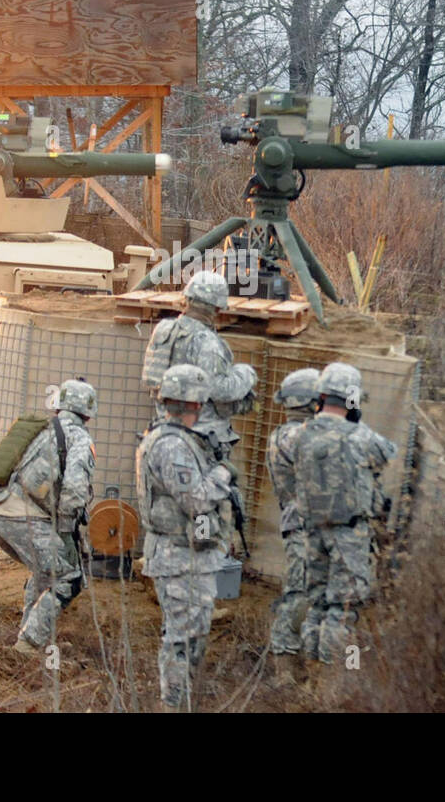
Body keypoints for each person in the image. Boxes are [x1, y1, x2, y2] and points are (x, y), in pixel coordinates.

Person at [135, 364, 234, 710]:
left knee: (192, 637)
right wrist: (223, 474)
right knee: (181, 640)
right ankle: (172, 705)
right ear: (195, 403)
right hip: (178, 558)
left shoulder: (178, 439)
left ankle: (181, 701)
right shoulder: (171, 445)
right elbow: (195, 500)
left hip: (188, 554)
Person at [0, 379, 97, 655]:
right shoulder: (79, 438)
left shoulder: (42, 430)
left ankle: (33, 637)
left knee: (46, 571)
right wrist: (67, 534)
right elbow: (75, 491)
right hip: (23, 517)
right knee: (69, 577)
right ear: (89, 413)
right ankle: (28, 643)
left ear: (59, 406)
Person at [293, 362, 397, 665]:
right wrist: (356, 421)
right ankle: (334, 681)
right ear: (352, 399)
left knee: (318, 604)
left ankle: (309, 675)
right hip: (348, 534)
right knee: (343, 610)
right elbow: (388, 452)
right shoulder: (359, 436)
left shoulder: (300, 435)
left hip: (312, 531)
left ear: (321, 397)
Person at [141, 269, 256, 461]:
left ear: (186, 299)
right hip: (201, 440)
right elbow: (221, 391)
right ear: (218, 309)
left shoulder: (164, 330)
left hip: (164, 432)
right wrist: (246, 374)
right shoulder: (207, 343)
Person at [266, 367, 321, 683]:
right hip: (302, 528)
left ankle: (306, 659)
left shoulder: (297, 435)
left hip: (313, 528)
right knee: (299, 593)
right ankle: (284, 662)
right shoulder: (292, 436)